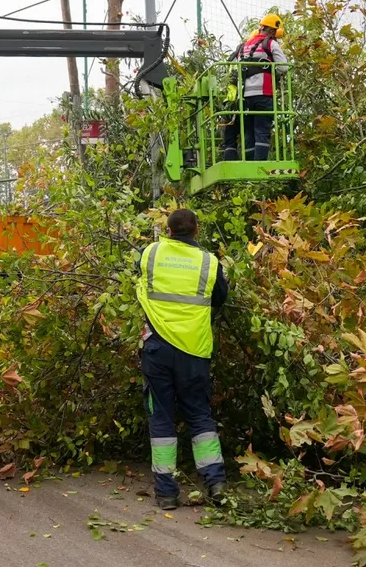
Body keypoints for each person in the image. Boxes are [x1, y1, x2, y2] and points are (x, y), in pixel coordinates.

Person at [135, 209, 229, 510]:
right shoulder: (209, 262)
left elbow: (140, 273)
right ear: (197, 230)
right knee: (200, 415)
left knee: (161, 420)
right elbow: (220, 299)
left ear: (169, 230)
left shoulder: (151, 253)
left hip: (157, 350)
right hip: (194, 351)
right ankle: (215, 484)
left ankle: (166, 494)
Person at [221, 13, 289, 162]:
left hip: (244, 97)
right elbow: (283, 68)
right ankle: (259, 166)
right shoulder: (270, 44)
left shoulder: (243, 46)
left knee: (249, 132)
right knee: (262, 131)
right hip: (264, 94)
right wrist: (272, 71)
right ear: (272, 31)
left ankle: (250, 164)